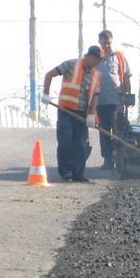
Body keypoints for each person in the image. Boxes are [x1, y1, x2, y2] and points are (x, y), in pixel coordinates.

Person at [40, 46, 102, 183]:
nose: (96, 65)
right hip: (65, 111)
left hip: (81, 114)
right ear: (90, 56)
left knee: (81, 144)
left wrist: (91, 115)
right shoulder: (71, 65)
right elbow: (49, 74)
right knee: (65, 140)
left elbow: (95, 96)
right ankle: (66, 171)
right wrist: (46, 93)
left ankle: (78, 173)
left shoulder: (95, 75)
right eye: (96, 61)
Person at [96, 30, 132, 170]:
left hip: (116, 102)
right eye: (104, 43)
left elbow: (127, 77)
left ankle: (120, 159)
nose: (107, 45)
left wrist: (125, 98)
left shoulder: (119, 57)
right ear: (99, 42)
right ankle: (108, 160)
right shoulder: (95, 58)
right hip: (100, 102)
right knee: (104, 131)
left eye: (109, 42)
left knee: (118, 131)